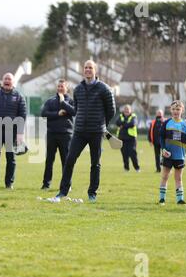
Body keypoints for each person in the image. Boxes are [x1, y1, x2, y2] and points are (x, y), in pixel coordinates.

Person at [53, 60, 116, 203]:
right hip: (79, 131)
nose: (87, 70)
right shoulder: (78, 89)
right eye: (86, 67)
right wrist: (64, 105)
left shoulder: (104, 89)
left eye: (90, 68)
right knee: (69, 160)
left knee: (95, 163)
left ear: (95, 70)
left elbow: (111, 110)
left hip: (96, 132)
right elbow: (76, 109)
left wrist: (103, 124)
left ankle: (92, 193)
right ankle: (63, 191)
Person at [0, 73, 27, 189]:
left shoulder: (19, 96)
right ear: (2, 81)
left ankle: (9, 183)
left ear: (13, 82)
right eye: (5, 78)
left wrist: (20, 133)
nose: (7, 81)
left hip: (12, 132)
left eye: (9, 79)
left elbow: (22, 115)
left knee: (11, 158)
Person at [159, 100, 186, 205]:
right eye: (173, 109)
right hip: (168, 155)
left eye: (178, 109)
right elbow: (161, 137)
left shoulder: (185, 124)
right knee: (165, 176)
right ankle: (162, 199)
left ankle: (180, 199)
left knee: (178, 178)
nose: (175, 111)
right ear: (170, 110)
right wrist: (163, 149)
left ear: (182, 110)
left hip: (180, 155)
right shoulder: (166, 123)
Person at [40, 79, 75, 190]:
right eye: (58, 86)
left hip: (66, 134)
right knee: (49, 160)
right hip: (52, 134)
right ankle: (46, 184)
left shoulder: (71, 101)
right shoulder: (50, 101)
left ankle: (66, 185)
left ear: (67, 88)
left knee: (66, 161)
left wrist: (63, 103)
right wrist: (57, 113)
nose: (60, 88)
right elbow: (44, 113)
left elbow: (74, 112)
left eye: (62, 86)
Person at [116, 104, 140, 172]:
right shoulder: (120, 116)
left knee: (132, 153)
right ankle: (126, 168)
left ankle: (137, 168)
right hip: (122, 138)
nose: (126, 111)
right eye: (125, 109)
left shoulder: (133, 116)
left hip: (131, 139)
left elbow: (132, 124)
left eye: (128, 109)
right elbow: (117, 123)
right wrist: (126, 124)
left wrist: (122, 125)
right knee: (124, 154)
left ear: (130, 110)